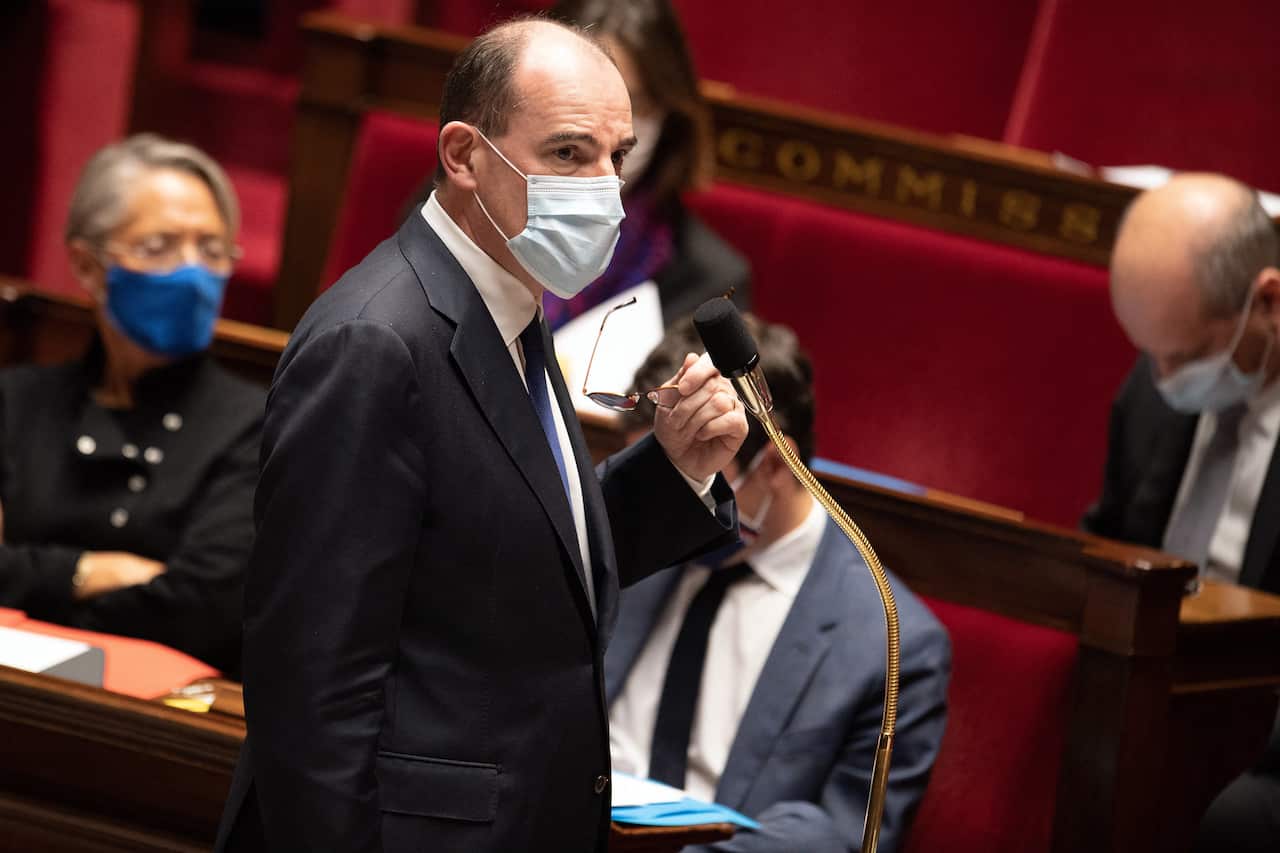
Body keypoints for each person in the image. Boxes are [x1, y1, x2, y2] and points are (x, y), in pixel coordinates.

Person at [216, 18, 748, 853]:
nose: (607, 188)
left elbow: (514, 557)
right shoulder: (375, 345)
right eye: (570, 154)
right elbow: (312, 687)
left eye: (618, 153)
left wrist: (672, 470)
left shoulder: (505, 302)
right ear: (463, 155)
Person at [608, 316, 951, 852]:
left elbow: (842, 834)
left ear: (774, 464)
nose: (666, 500)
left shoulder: (889, 641)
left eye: (697, 470)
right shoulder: (627, 540)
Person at [0, 134, 262, 674]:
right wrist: (88, 571)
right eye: (158, 246)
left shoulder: (257, 424)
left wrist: (27, 594)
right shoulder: (17, 400)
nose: (192, 272)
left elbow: (203, 611)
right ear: (89, 266)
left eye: (212, 250)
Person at [1082, 172, 1280, 852]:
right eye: (1150, 353)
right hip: (1144, 691)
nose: (1164, 381)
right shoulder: (1154, 384)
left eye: (1187, 357)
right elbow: (1107, 541)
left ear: (1268, 301)